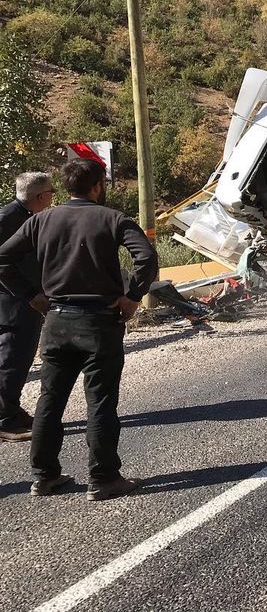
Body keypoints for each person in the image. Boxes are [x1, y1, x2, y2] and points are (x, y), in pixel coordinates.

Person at [0, 159, 158, 499]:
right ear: (98, 185)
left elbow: (3, 259)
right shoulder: (113, 218)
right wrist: (132, 297)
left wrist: (32, 296)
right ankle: (103, 478)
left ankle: (44, 476)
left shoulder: (41, 220)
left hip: (56, 322)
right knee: (100, 400)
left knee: (50, 399)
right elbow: (146, 257)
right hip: (99, 323)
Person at [0, 172, 53, 442]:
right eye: (51, 192)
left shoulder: (24, 216)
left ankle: (11, 408)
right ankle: (4, 420)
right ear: (40, 197)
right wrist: (30, 293)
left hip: (25, 300)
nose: (53, 197)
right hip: (13, 303)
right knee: (11, 360)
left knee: (21, 359)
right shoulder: (8, 218)